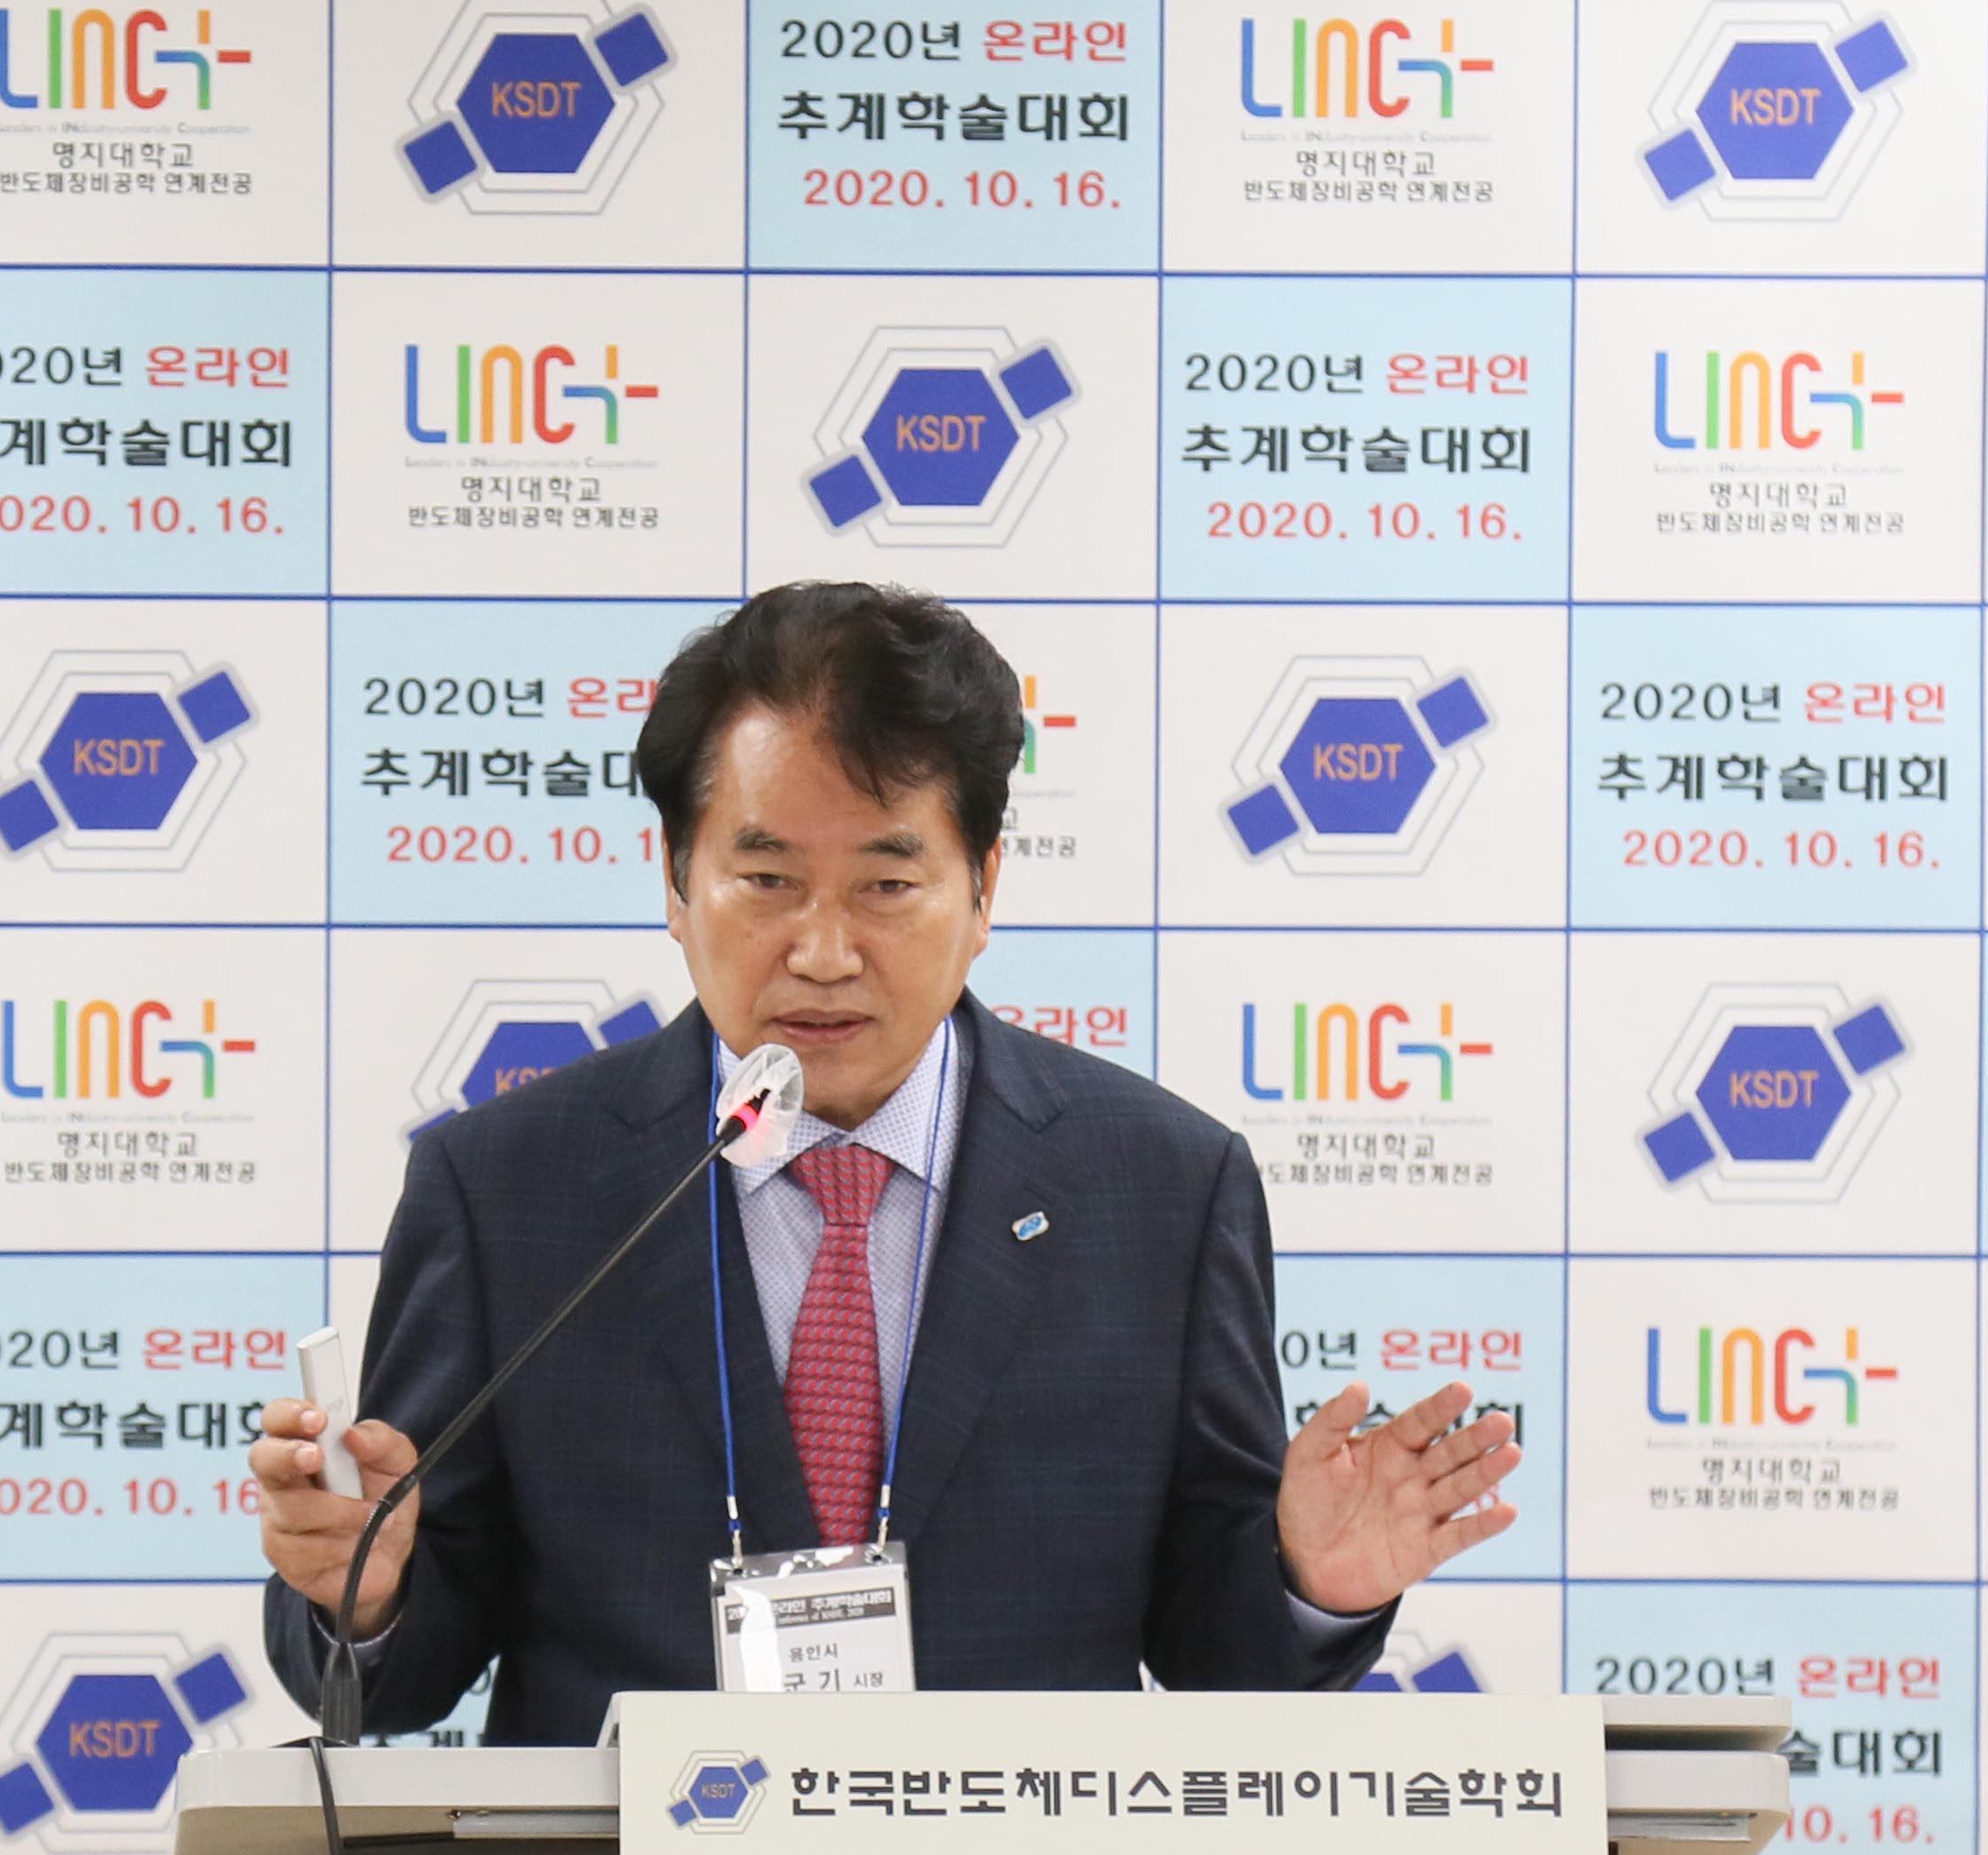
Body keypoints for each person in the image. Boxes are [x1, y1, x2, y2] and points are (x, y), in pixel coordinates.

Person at [247, 580, 1519, 1742]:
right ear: (675, 884)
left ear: (984, 888)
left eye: (886, 886)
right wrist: (364, 1587)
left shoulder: (1162, 1191)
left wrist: (1310, 1587)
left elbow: (1217, 1656)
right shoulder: (508, 1189)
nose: (822, 952)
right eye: (764, 878)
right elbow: (399, 1671)